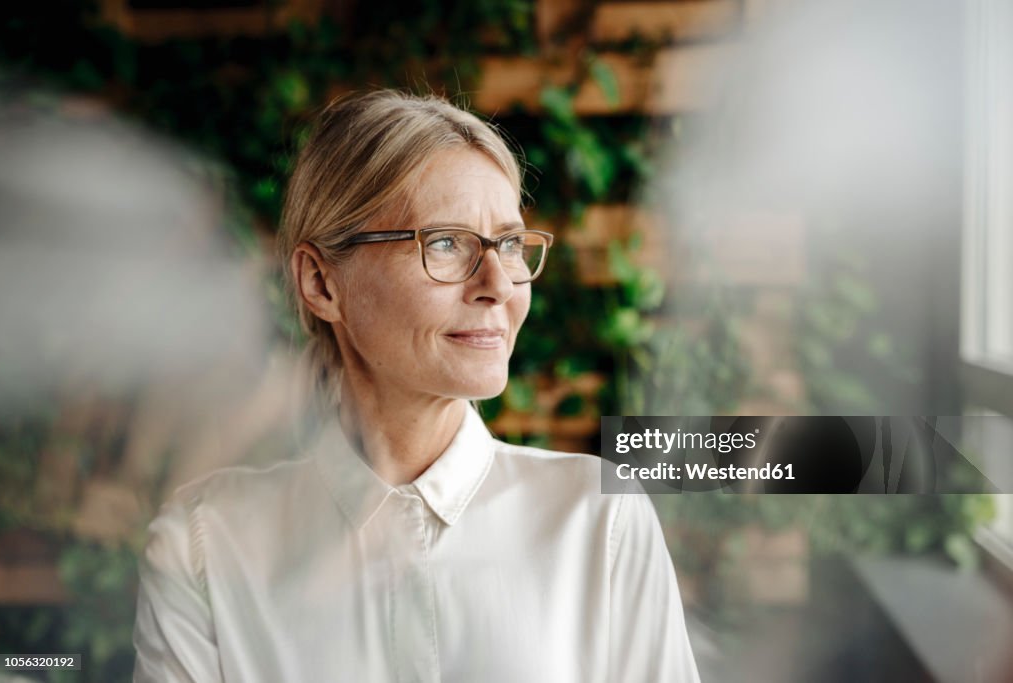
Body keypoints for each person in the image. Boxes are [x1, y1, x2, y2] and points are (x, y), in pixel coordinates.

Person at [132, 90, 700, 682]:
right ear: (322, 281)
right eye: (446, 243)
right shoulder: (203, 545)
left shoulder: (599, 519)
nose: (498, 284)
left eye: (508, 244)